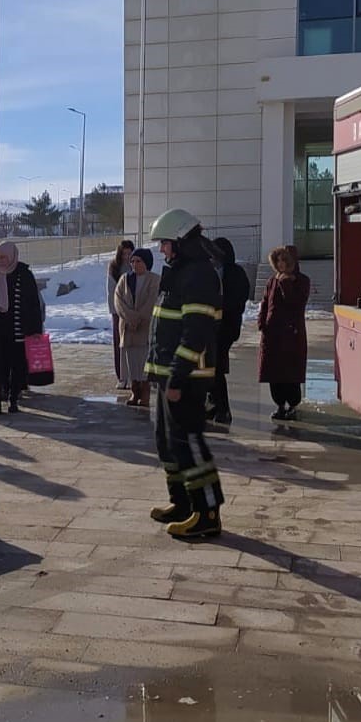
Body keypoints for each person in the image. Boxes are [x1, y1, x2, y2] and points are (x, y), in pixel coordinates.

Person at [144, 208, 225, 539]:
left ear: (179, 240)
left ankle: (206, 514)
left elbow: (196, 333)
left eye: (164, 243)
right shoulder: (179, 271)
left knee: (190, 444)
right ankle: (181, 503)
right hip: (169, 376)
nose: (161, 249)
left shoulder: (199, 275)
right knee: (169, 444)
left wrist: (177, 377)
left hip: (186, 379)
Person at [0, 241, 43, 415]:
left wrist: (35, 330)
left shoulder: (24, 273)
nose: (1, 261)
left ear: (12, 256)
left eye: (4, 257)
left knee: (17, 365)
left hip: (18, 329)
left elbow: (34, 304)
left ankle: (13, 399)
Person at [258, 244, 313, 420]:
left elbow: (296, 304)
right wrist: (262, 322)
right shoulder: (271, 281)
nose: (281, 264)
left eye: (284, 260)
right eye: (278, 260)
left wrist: (286, 284)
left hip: (291, 335)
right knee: (274, 373)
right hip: (272, 335)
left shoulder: (302, 281)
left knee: (290, 373)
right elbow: (265, 303)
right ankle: (280, 404)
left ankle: (293, 405)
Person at [206, 237, 252, 428]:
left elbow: (239, 299)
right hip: (209, 326)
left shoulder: (235, 273)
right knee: (211, 366)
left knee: (215, 367)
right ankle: (214, 404)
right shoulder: (209, 271)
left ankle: (222, 408)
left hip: (227, 327)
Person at [113, 247, 160, 408]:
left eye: (138, 261)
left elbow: (152, 301)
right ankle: (135, 391)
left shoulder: (154, 280)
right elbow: (118, 301)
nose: (134, 264)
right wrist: (130, 317)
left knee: (143, 362)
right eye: (132, 261)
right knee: (131, 362)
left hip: (144, 328)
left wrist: (138, 318)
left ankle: (145, 393)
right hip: (128, 328)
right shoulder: (125, 279)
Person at [106, 239, 136, 389]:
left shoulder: (136, 265)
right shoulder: (114, 267)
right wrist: (114, 310)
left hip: (132, 311)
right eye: (124, 253)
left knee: (133, 344)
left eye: (129, 253)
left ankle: (132, 376)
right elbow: (111, 290)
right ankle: (121, 376)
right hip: (118, 311)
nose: (127, 256)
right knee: (119, 344)